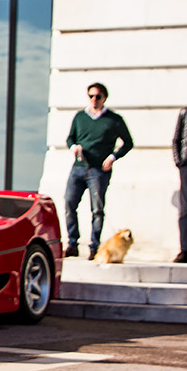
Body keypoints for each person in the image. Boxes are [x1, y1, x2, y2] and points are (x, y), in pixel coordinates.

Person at [64, 82, 134, 260]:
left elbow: (128, 142)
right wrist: (73, 147)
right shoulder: (80, 117)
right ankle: (72, 243)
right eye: (91, 96)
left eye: (98, 96)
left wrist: (113, 157)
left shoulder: (114, 119)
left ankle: (95, 246)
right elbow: (70, 138)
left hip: (99, 171)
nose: (94, 100)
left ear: (104, 98)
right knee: (69, 204)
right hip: (79, 167)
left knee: (97, 209)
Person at [171, 77, 187, 263]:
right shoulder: (185, 113)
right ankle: (184, 249)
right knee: (185, 210)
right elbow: (176, 140)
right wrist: (179, 161)